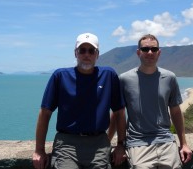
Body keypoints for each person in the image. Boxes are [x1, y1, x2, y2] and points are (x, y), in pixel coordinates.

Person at [32, 32, 126, 169]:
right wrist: (39, 150)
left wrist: (120, 145)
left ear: (97, 54)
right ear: (75, 53)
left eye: (91, 50)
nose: (86, 54)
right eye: (82, 50)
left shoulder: (108, 75)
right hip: (67, 144)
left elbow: (119, 112)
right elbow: (45, 113)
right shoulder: (60, 76)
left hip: (98, 144)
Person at [109, 34, 192, 169]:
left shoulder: (169, 77)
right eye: (145, 49)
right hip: (138, 143)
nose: (149, 53)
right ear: (138, 52)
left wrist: (184, 144)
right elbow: (118, 113)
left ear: (159, 52)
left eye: (153, 49)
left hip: (166, 141)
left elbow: (176, 112)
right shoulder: (124, 79)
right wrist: (118, 144)